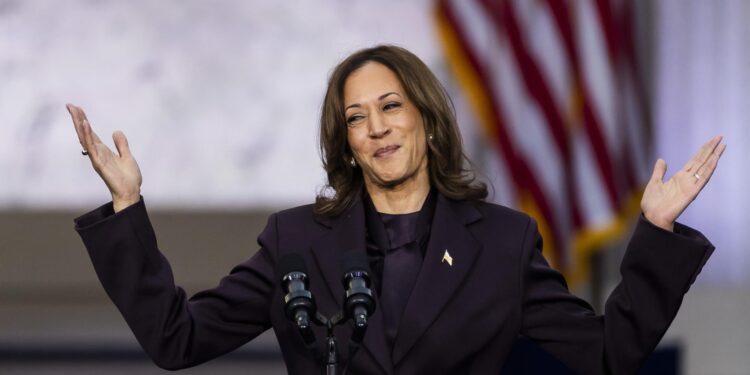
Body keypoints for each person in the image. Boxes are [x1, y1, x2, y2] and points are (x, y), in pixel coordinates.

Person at [67, 45, 724, 375]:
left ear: (427, 122)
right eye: (357, 117)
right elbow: (177, 339)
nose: (377, 127)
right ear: (347, 144)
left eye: (390, 107)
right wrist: (127, 205)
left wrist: (657, 232)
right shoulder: (295, 238)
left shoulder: (504, 242)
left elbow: (610, 352)